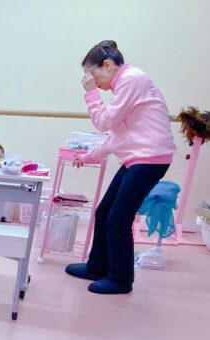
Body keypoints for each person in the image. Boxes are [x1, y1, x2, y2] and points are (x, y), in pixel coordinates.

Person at [65, 40, 176, 295]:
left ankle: (121, 279)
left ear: (107, 65)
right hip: (139, 158)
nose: (93, 82)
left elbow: (104, 123)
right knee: (105, 212)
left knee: (118, 218)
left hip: (150, 158)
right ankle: (97, 267)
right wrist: (89, 156)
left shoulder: (131, 80)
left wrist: (91, 95)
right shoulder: (125, 87)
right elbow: (115, 137)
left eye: (92, 75)